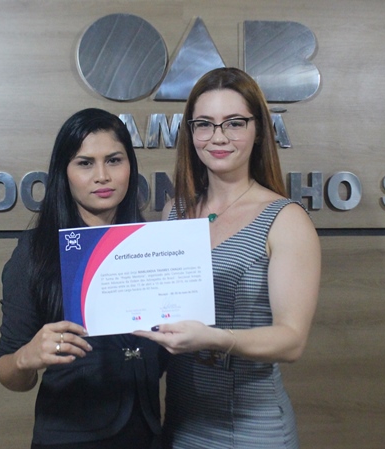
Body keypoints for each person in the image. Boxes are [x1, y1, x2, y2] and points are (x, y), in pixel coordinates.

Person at [133, 68, 321, 449]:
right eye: (204, 124)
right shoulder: (175, 212)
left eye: (234, 123)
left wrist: (213, 338)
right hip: (181, 422)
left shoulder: (286, 219)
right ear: (190, 132)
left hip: (251, 428)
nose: (218, 137)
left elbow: (292, 341)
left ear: (258, 130)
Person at [0, 108, 166, 449]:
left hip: (147, 433)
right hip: (70, 437)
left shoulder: (152, 245)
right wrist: (27, 356)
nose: (102, 176)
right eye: (85, 163)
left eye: (114, 160)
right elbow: (8, 371)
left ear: (130, 167)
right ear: (64, 172)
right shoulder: (36, 251)